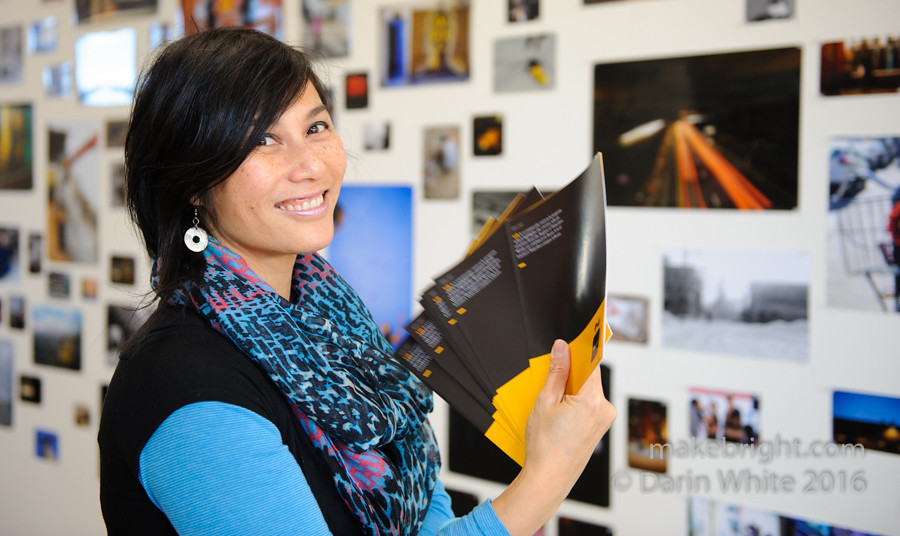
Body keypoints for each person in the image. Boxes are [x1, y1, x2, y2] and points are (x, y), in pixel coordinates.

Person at [97, 26, 616, 536]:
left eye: (316, 127)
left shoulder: (335, 321)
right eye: (263, 139)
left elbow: (421, 521)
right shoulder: (185, 387)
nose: (311, 165)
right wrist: (548, 476)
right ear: (191, 181)